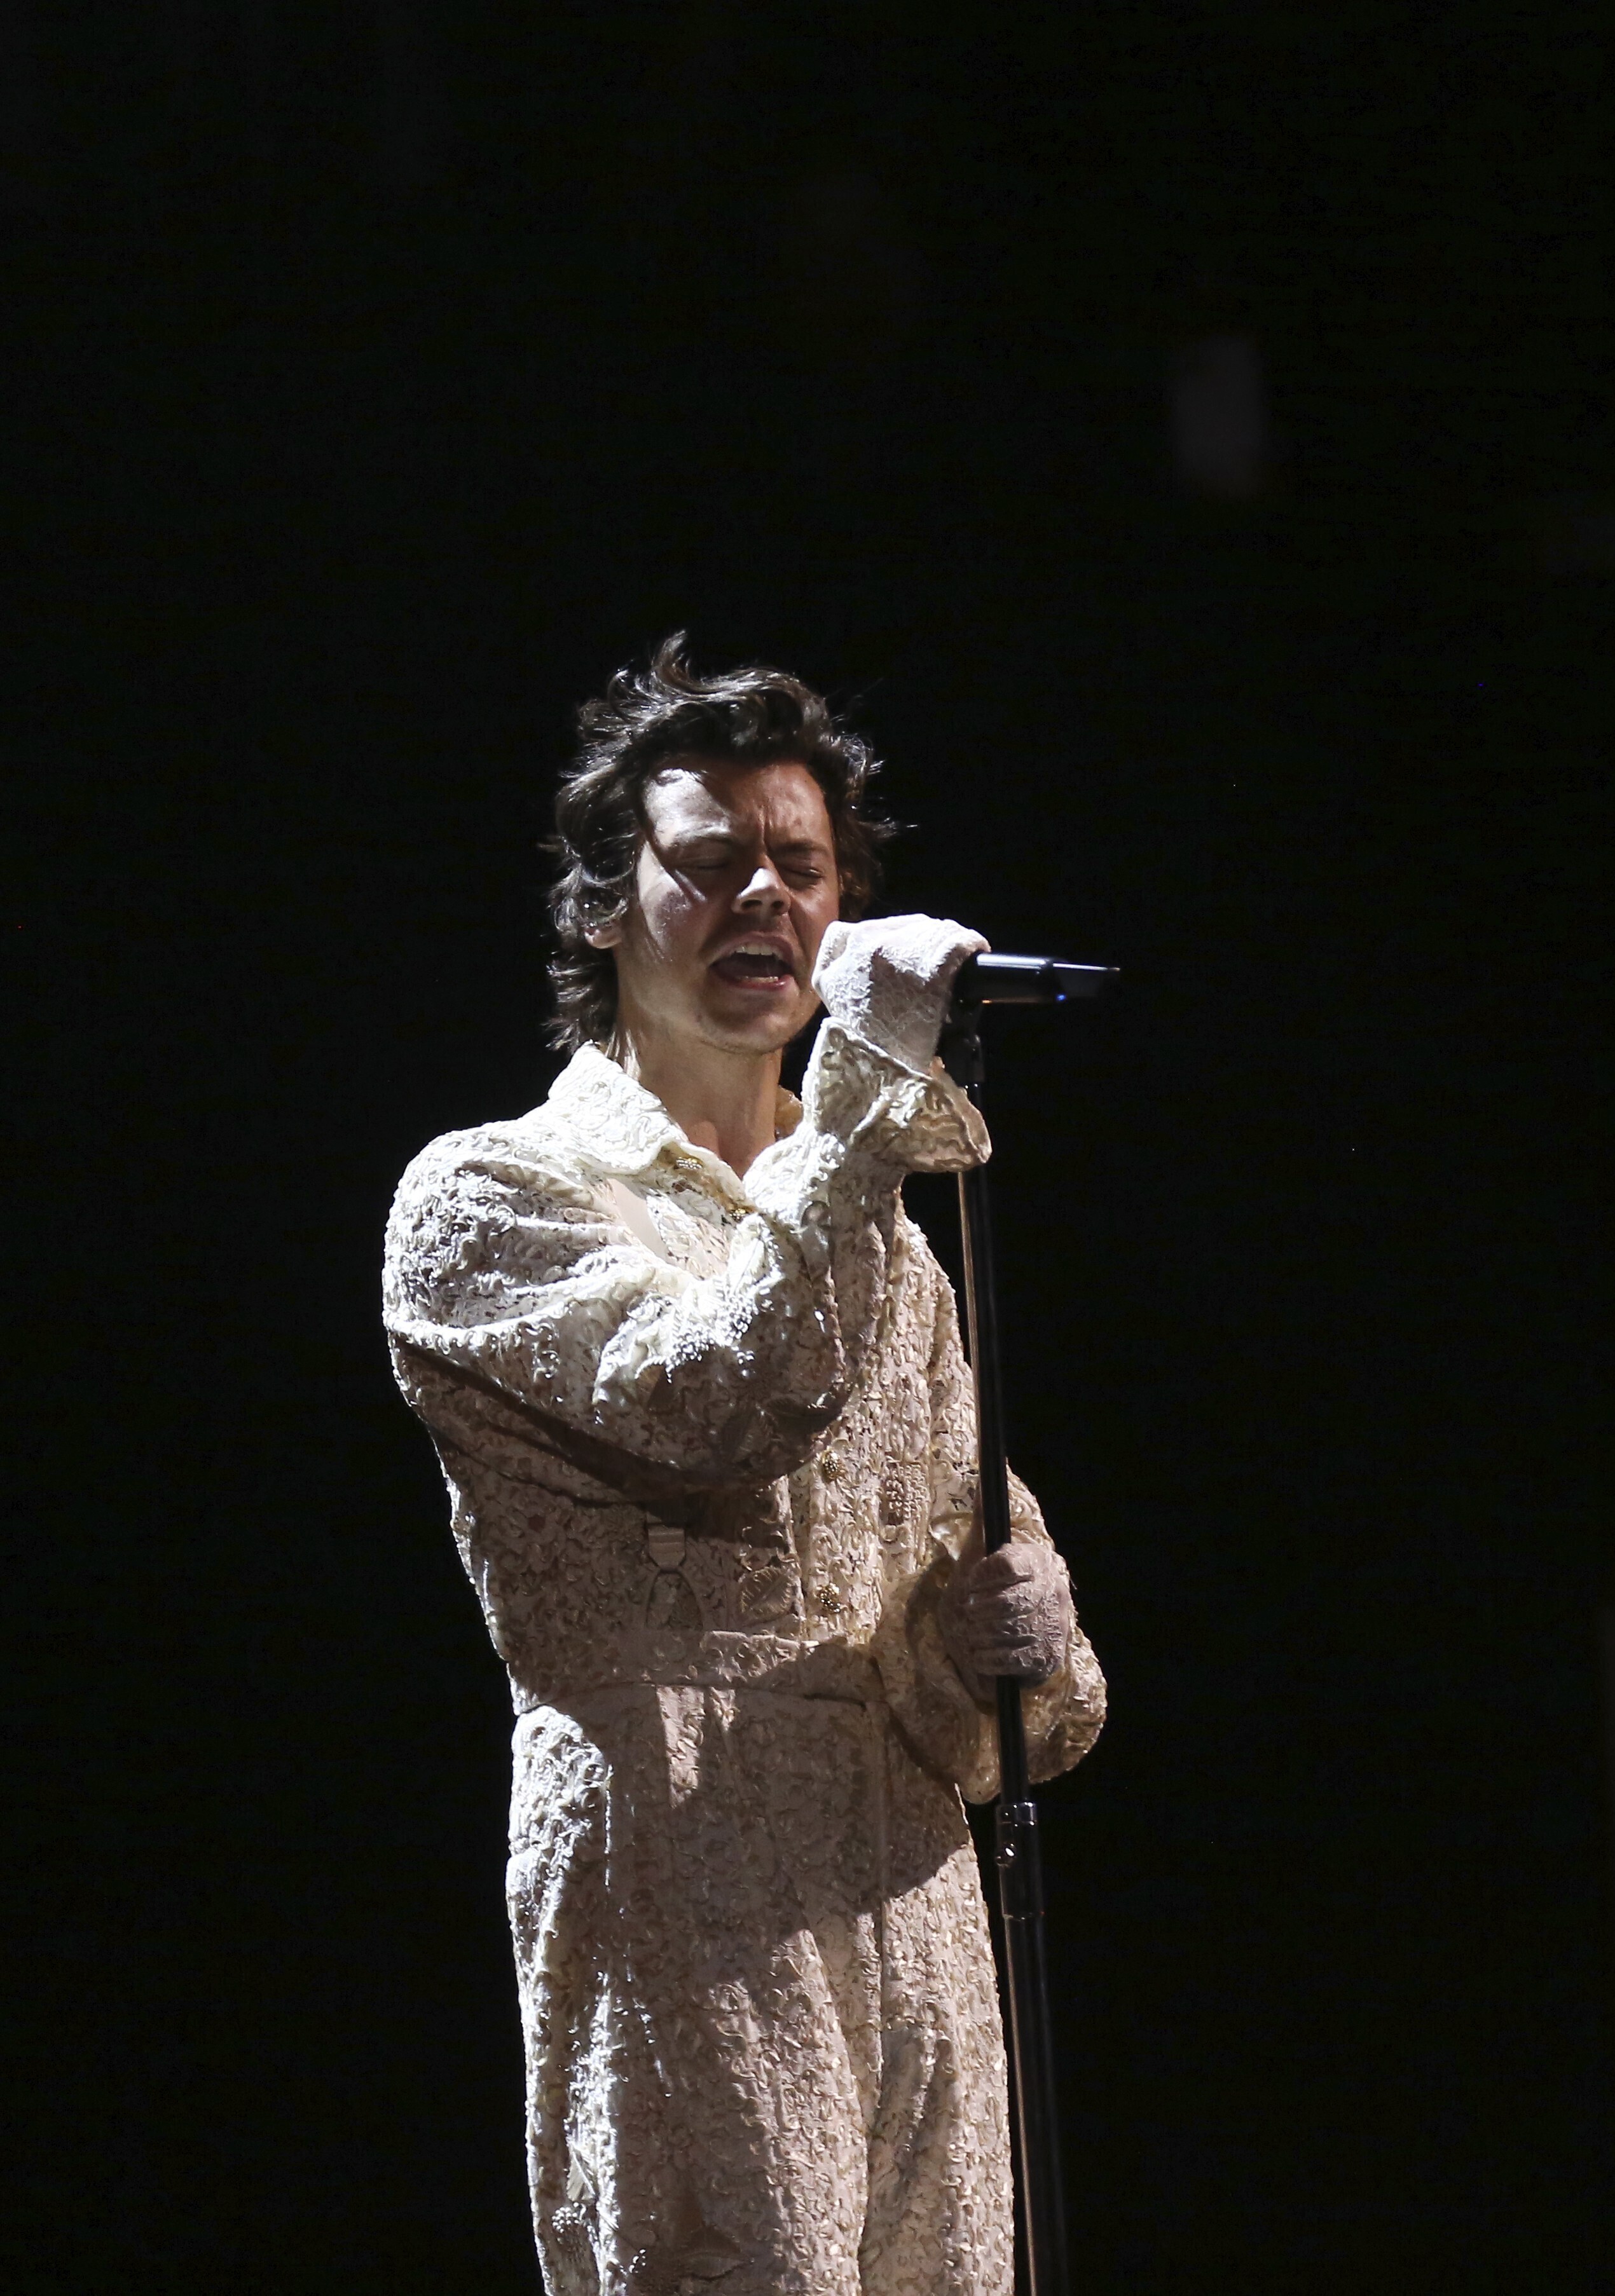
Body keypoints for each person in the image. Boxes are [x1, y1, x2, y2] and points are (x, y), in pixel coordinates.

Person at [382, 638, 1105, 2296]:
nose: (760, 896)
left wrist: (1016, 1632)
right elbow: (712, 1398)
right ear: (601, 906)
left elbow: (1026, 1717)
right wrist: (864, 1105)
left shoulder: (894, 1260)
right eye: (708, 862)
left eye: (799, 865)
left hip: (912, 1907)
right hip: (684, 1881)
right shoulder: (491, 1197)